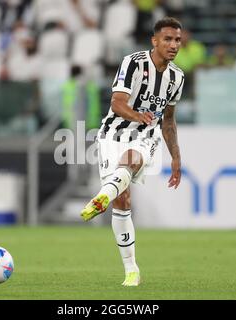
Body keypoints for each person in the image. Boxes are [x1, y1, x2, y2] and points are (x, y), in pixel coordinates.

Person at [80, 17, 184, 286]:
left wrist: (176, 157)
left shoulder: (177, 77)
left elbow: (168, 120)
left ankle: (102, 196)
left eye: (178, 40)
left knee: (132, 160)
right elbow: (116, 103)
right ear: (155, 41)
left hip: (146, 135)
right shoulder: (133, 63)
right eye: (168, 39)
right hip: (113, 134)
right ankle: (131, 268)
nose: (174, 45)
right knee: (123, 201)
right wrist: (138, 116)